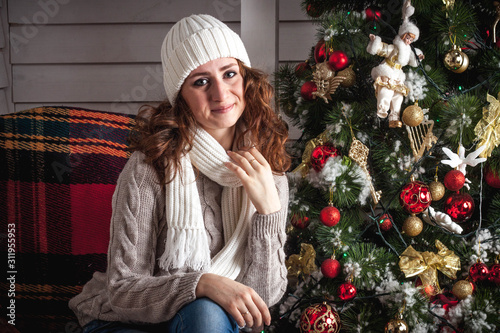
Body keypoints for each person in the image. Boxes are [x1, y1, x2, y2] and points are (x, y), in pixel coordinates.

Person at [69, 14, 291, 333]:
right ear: (181, 96)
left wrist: (268, 211)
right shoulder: (151, 166)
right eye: (200, 81)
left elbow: (262, 301)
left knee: (207, 315)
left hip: (206, 322)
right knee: (205, 310)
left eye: (230, 74)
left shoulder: (266, 170)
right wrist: (202, 284)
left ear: (246, 79)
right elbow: (122, 292)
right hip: (123, 320)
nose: (220, 94)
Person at [366, 0, 424, 128]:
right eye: (407, 37)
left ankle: (394, 116)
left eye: (411, 39)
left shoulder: (409, 51)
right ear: (403, 36)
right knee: (386, 92)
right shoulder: (394, 48)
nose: (409, 41)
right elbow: (382, 49)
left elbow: (412, 60)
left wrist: (418, 57)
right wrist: (375, 42)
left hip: (398, 75)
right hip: (388, 70)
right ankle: (382, 110)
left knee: (398, 96)